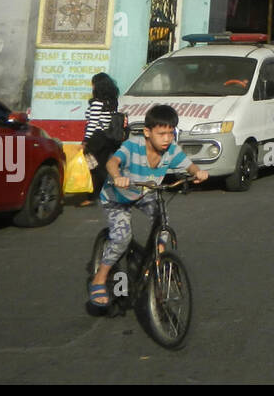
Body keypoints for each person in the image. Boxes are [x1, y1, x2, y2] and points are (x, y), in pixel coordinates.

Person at [88, 104, 208, 308]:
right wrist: (117, 177)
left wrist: (198, 172)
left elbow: (188, 164)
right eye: (161, 133)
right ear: (147, 132)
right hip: (117, 197)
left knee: (163, 221)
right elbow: (112, 163)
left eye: (170, 133)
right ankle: (100, 278)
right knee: (121, 238)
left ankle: (157, 263)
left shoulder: (171, 150)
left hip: (144, 194)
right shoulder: (133, 146)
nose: (167, 139)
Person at [80, 72, 121, 206]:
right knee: (100, 166)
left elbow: (93, 123)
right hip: (108, 138)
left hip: (96, 138)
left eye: (92, 84)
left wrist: (85, 140)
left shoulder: (97, 103)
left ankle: (107, 191)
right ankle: (97, 195)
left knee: (94, 167)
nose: (91, 87)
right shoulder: (112, 102)